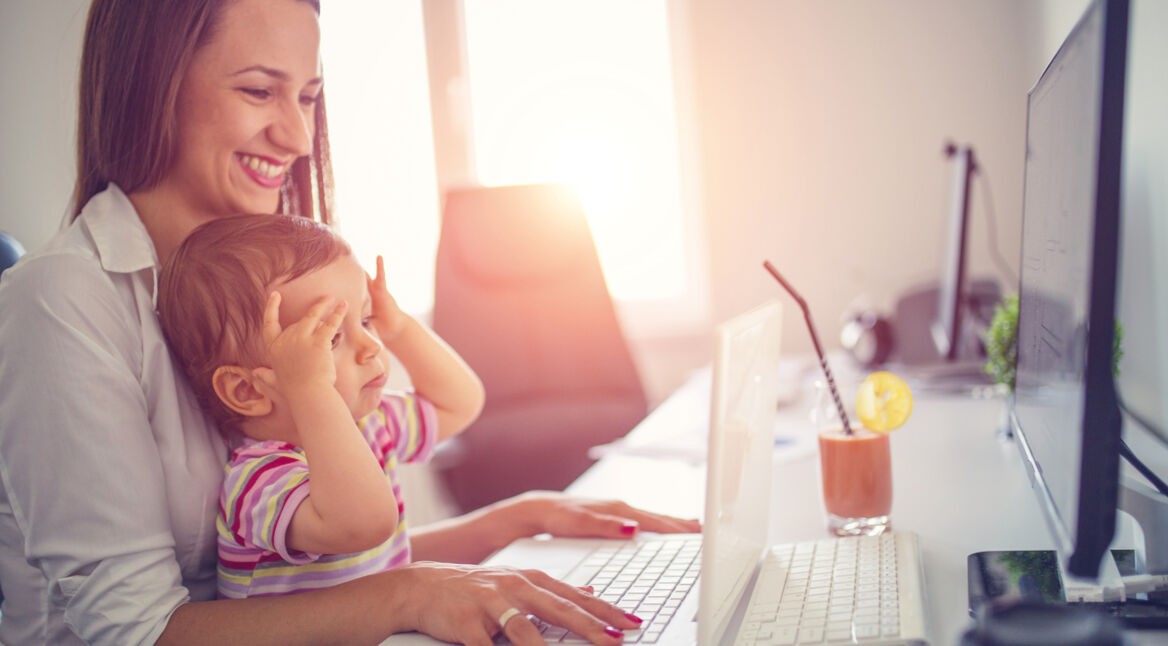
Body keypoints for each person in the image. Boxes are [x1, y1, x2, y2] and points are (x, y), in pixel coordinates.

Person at [0, 0, 700, 644]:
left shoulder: (276, 280)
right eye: (257, 90)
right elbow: (136, 630)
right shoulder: (59, 300)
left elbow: (314, 576)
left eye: (308, 96)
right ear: (150, 87)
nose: (299, 135)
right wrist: (406, 597)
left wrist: (519, 519)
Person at [157, 213, 485, 599]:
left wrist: (399, 328)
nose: (372, 346)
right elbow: (365, 524)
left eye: (365, 320)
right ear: (248, 391)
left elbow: (460, 404)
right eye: (329, 339)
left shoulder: (369, 425)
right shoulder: (260, 481)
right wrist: (311, 388)